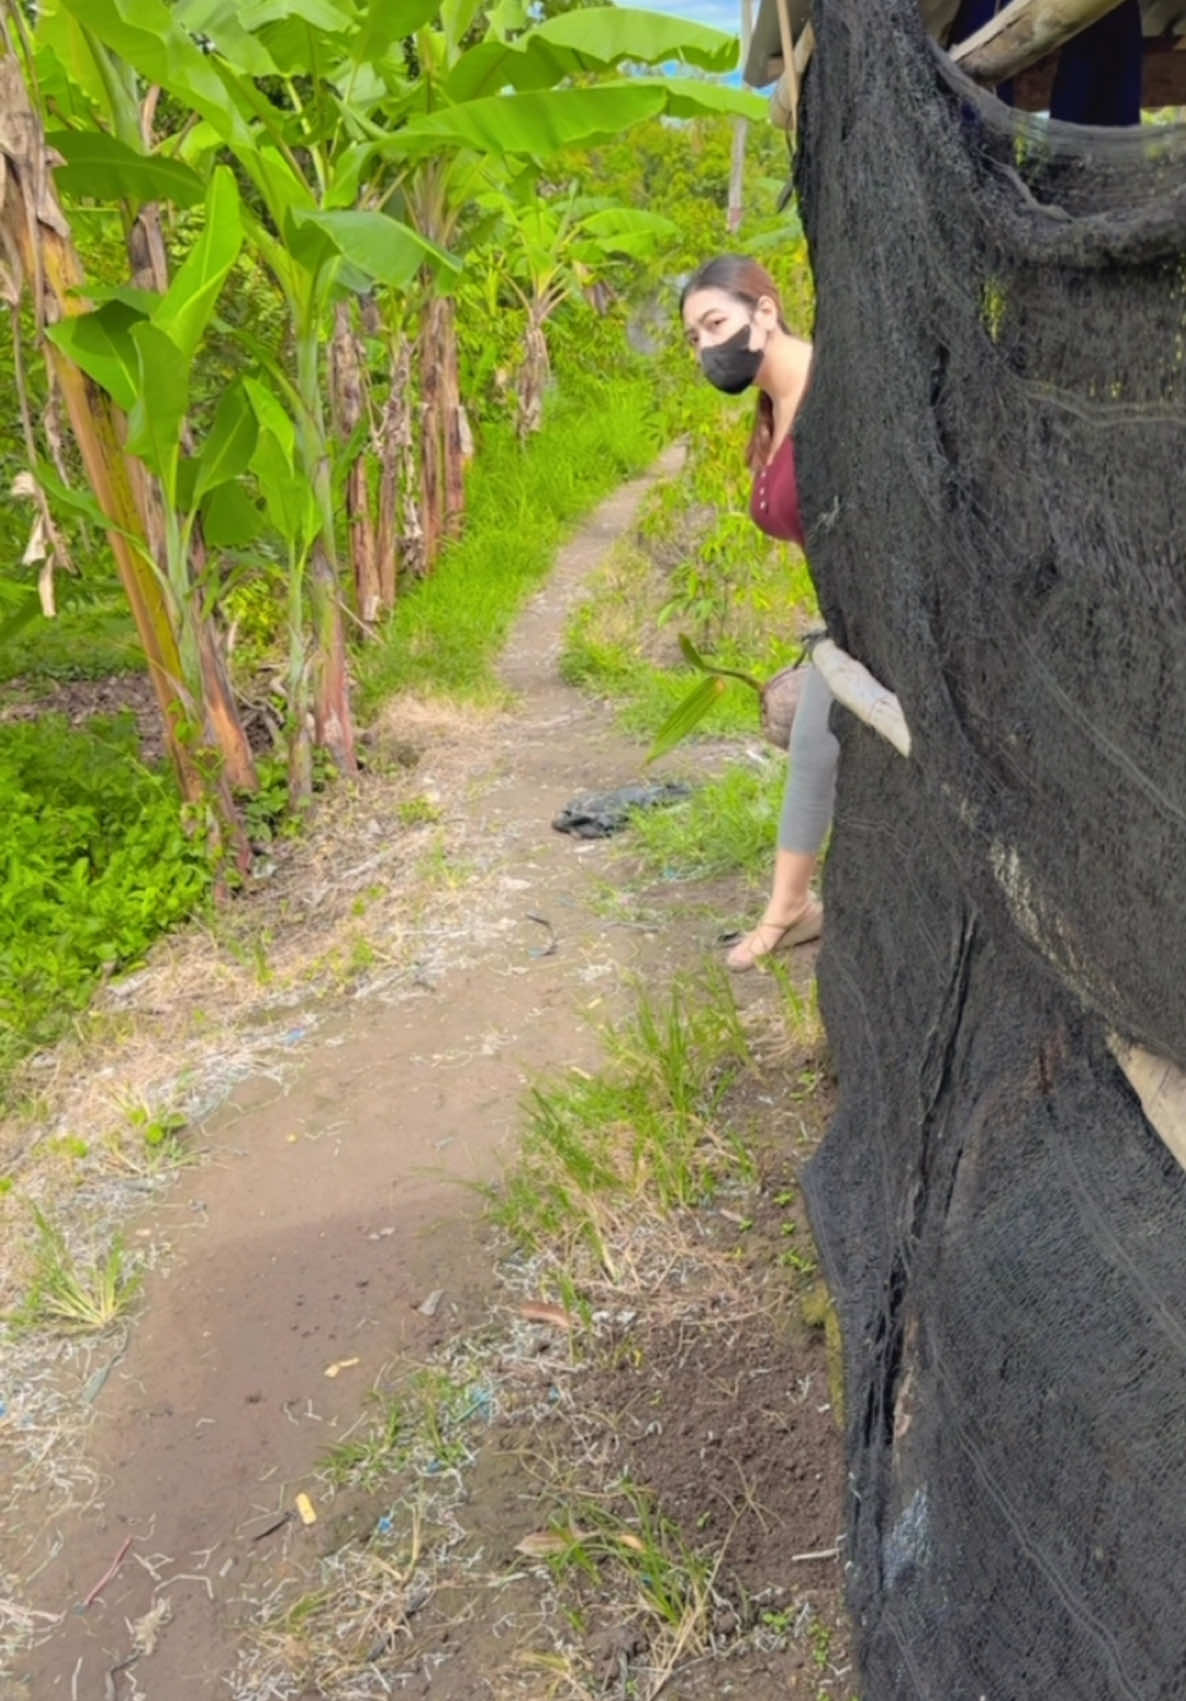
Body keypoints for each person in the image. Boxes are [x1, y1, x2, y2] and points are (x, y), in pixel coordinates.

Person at [680, 255, 837, 973]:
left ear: (765, 312)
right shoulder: (773, 410)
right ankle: (791, 908)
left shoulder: (832, 387)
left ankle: (787, 911)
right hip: (843, 616)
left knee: (814, 743)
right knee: (811, 742)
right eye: (693, 337)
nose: (707, 347)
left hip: (890, 610)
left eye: (716, 323)